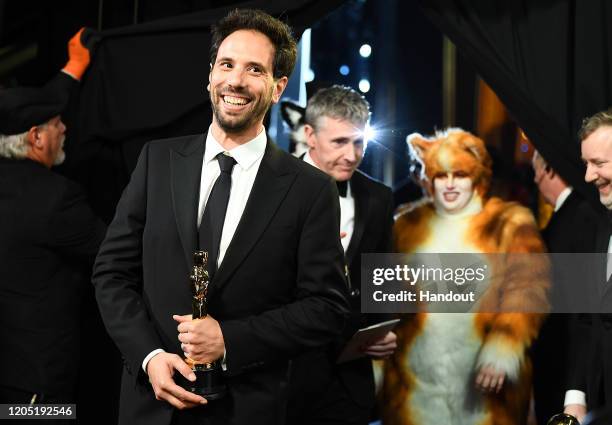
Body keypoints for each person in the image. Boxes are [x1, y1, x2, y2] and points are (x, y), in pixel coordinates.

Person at [92, 9, 349, 425]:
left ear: (278, 87)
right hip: (150, 407)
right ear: (210, 74)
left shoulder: (310, 189)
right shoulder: (158, 161)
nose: (235, 81)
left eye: (254, 69)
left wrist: (230, 339)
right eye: (226, 64)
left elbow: (326, 308)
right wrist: (149, 356)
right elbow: (111, 273)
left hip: (247, 409)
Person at [382, 128, 549, 425]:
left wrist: (503, 348)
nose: (449, 184)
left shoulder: (509, 222)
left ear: (477, 176)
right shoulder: (406, 225)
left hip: (486, 393)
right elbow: (386, 299)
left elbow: (529, 290)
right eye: (440, 176)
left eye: (459, 174)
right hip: (416, 389)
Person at [0, 29, 106, 408]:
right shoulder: (55, 198)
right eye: (57, 123)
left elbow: (35, 104)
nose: (65, 129)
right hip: (37, 388)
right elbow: (110, 254)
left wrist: (74, 67)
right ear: (36, 138)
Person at [286, 85, 396, 425]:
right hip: (282, 376)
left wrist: (387, 330)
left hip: (348, 379)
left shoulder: (378, 198)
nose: (352, 154)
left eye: (359, 142)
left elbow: (384, 276)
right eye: (340, 142)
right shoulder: (270, 186)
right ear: (309, 135)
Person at [530, 149, 601, 424]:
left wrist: (575, 391)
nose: (535, 180)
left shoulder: (578, 215)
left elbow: (581, 308)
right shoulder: (568, 215)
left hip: (567, 368)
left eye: (536, 172)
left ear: (549, 169)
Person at [563, 108, 612, 422]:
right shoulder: (599, 223)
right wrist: (576, 396)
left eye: (599, 163)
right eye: (586, 164)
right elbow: (587, 321)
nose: (588, 176)